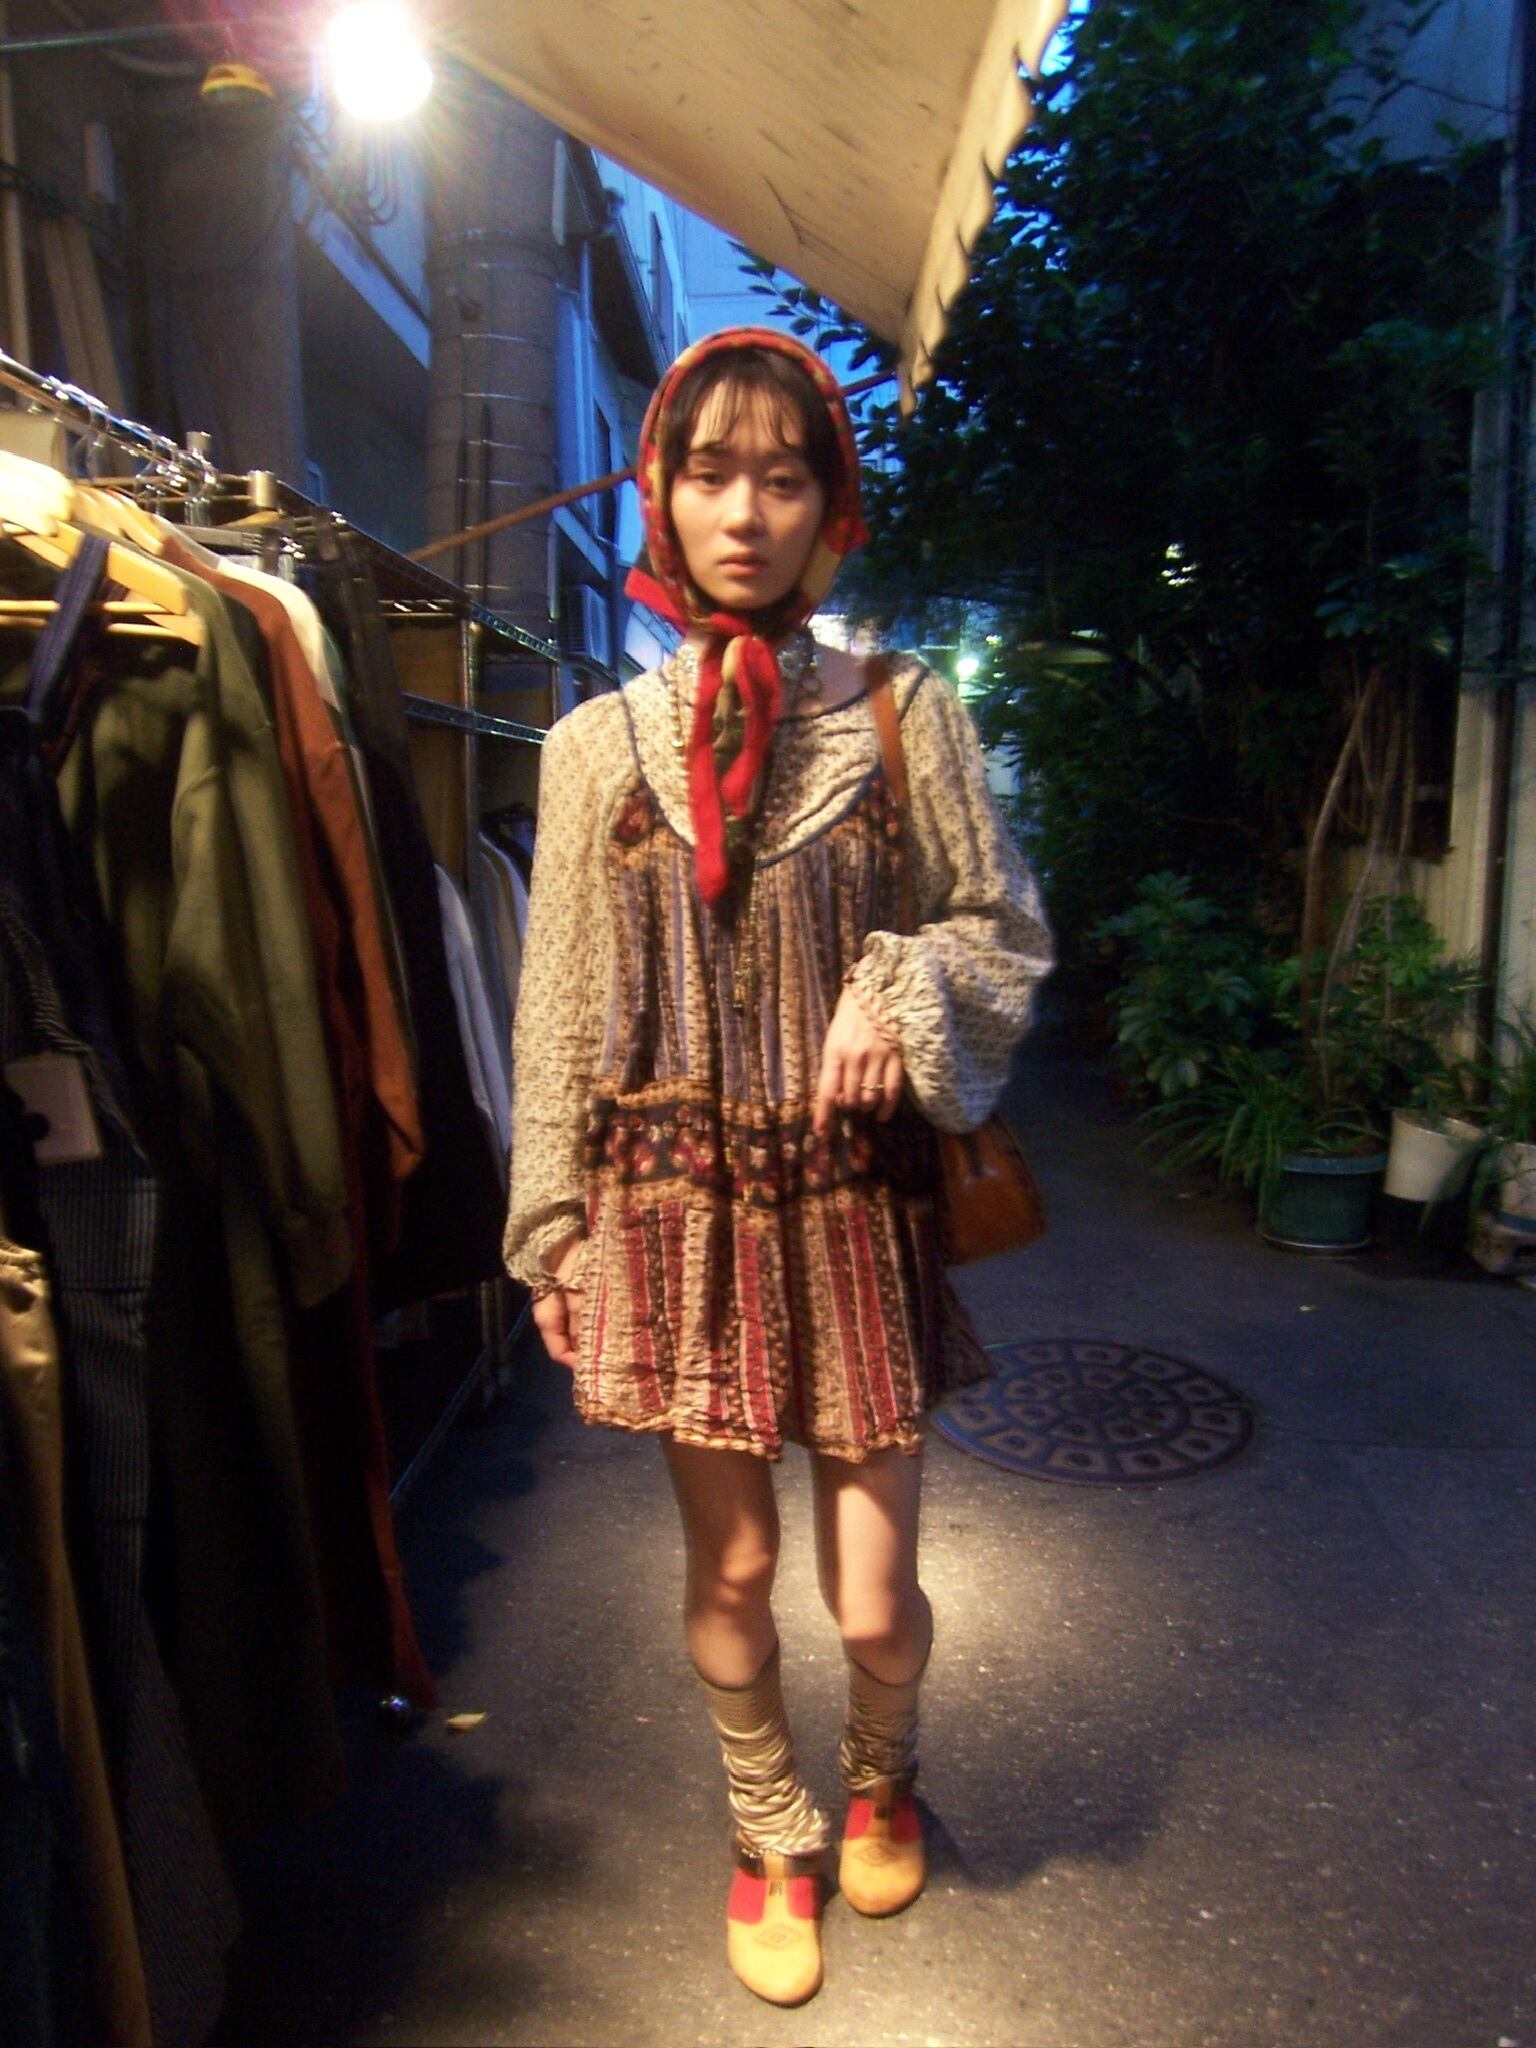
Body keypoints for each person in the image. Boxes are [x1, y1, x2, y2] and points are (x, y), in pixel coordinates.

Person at [503, 327, 1053, 2006]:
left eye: (785, 477)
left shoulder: (905, 713)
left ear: (831, 510)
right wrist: (550, 1228)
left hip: (855, 1209)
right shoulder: (597, 747)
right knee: (732, 1568)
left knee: (873, 1598)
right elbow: (559, 1007)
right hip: (679, 1216)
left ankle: (886, 1768)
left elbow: (1006, 928)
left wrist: (900, 986)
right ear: (661, 494)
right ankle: (769, 1826)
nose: (744, 512)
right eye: (709, 473)